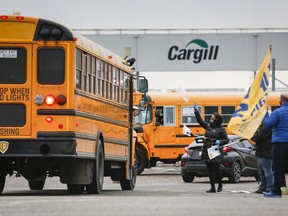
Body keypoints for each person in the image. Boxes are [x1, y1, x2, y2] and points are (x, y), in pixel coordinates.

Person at [193, 102, 229, 193]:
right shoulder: (208, 126)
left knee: (217, 169)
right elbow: (200, 121)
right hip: (207, 150)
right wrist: (196, 111)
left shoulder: (221, 129)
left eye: (212, 117)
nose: (211, 118)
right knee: (210, 170)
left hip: (216, 151)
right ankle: (212, 187)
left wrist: (219, 142)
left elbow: (226, 140)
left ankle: (220, 184)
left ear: (216, 119)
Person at [263, 92, 288, 198]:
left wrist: (265, 115)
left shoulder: (277, 112)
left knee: (278, 168)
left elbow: (268, 124)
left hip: (280, 144)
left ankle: (276, 191)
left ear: (281, 101)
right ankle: (284, 188)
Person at [251, 123, 273, 194]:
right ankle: (263, 187)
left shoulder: (266, 127)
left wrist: (251, 134)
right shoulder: (263, 126)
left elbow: (257, 138)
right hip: (261, 151)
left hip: (265, 152)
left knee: (267, 171)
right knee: (262, 172)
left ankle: (270, 188)